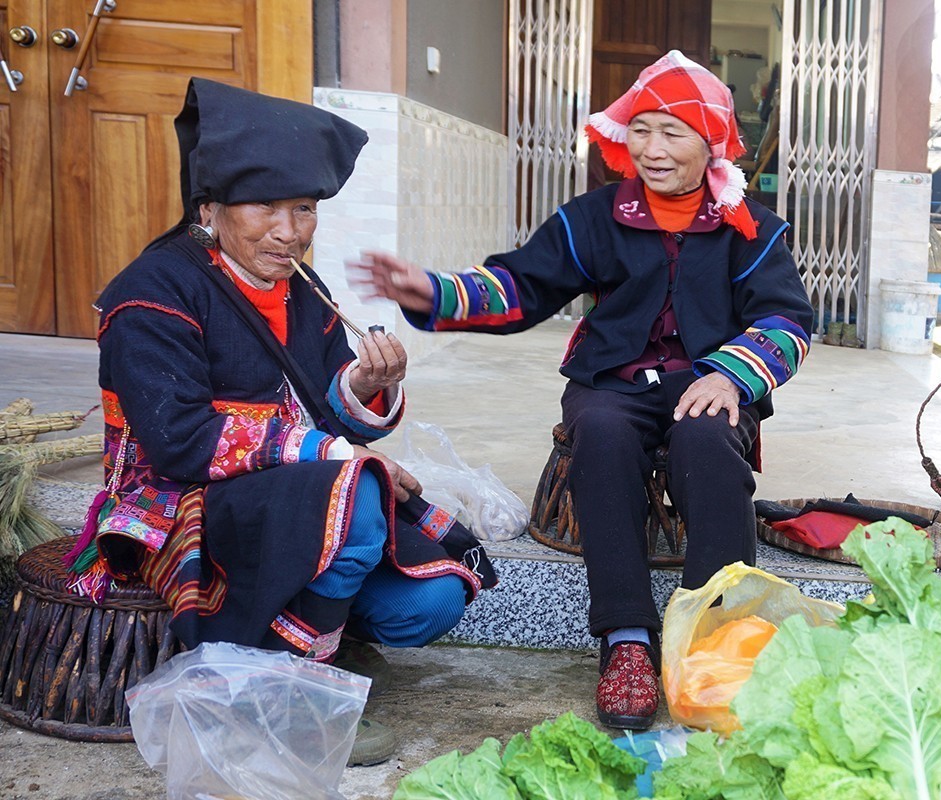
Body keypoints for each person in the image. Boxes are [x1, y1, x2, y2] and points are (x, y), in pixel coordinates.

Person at [350, 50, 813, 730]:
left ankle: (716, 641)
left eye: (671, 133)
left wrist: (732, 373)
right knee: (598, 429)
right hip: (612, 381)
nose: (651, 149)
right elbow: (521, 285)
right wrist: (437, 290)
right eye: (641, 129)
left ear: (710, 141)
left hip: (708, 384)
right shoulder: (595, 215)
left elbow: (787, 318)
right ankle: (625, 639)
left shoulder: (751, 227)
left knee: (709, 441)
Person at [76, 78, 495, 766]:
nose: (289, 230)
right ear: (209, 208)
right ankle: (289, 689)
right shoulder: (153, 292)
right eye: (265, 207)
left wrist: (364, 384)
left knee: (432, 600)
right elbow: (178, 439)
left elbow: (331, 410)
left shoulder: (304, 288)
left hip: (283, 501)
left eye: (303, 208)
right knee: (356, 492)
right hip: (183, 502)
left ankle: (313, 629)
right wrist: (337, 453)